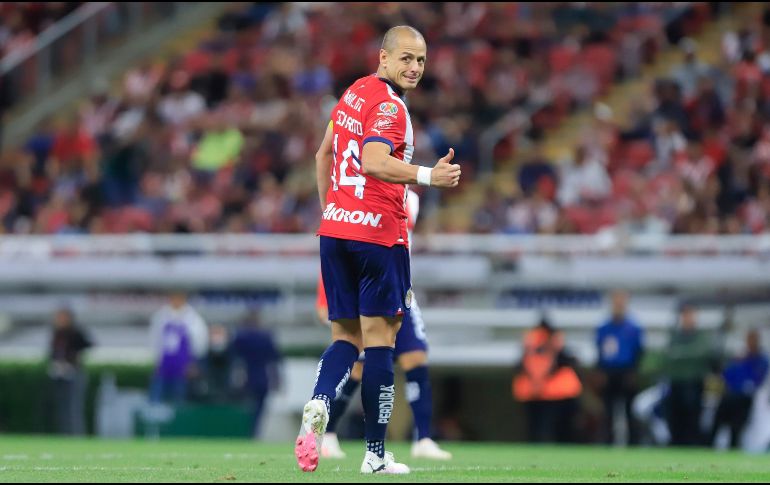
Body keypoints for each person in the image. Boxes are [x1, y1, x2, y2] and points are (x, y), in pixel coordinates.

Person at [295, 25, 461, 475]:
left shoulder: (353, 93)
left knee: (345, 339)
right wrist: (429, 176)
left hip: (336, 230)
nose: (415, 67)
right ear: (383, 58)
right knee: (381, 343)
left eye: (421, 60)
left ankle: (320, 399)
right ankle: (374, 455)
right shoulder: (391, 107)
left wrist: (333, 211)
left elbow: (323, 155)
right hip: (379, 236)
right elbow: (372, 160)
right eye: (406, 58)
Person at [319, 190, 452, 461]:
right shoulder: (365, 192)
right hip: (369, 286)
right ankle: (329, 432)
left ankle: (423, 438)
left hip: (398, 286)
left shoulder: (411, 198)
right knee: (358, 367)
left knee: (416, 356)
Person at [512, 317, 583, 443]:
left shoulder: (533, 340)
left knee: (539, 425)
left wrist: (536, 381)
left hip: (541, 391)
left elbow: (521, 365)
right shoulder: (550, 340)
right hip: (551, 391)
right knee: (552, 425)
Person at [663, 304, 721, 446]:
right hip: (676, 381)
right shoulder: (676, 335)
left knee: (693, 414)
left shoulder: (701, 336)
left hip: (694, 382)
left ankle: (692, 443)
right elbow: (668, 355)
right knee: (675, 415)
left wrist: (680, 354)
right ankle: (676, 443)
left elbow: (702, 352)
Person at [595, 290, 645, 445]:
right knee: (608, 412)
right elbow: (599, 351)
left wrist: (634, 372)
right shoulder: (604, 328)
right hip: (609, 372)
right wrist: (601, 371)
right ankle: (608, 442)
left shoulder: (633, 328)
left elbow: (639, 351)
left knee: (630, 411)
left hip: (626, 372)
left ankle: (633, 443)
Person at [709, 329, 768, 449]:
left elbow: (758, 379)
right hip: (729, 395)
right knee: (716, 425)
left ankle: (733, 449)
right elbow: (727, 374)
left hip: (744, 398)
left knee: (736, 428)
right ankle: (708, 448)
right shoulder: (739, 358)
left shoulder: (761, 359)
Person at [148, 291, 208, 405]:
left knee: (179, 394)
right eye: (174, 298)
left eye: (179, 298)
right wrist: (156, 360)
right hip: (164, 363)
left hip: (182, 364)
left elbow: (199, 341)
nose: (176, 301)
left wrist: (193, 362)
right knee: (157, 392)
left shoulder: (193, 318)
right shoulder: (161, 316)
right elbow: (155, 339)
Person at [231, 312, 282, 439]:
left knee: (246, 409)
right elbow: (274, 360)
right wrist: (277, 381)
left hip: (245, 378)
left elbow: (234, 358)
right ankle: (254, 433)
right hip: (262, 378)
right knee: (259, 410)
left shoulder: (240, 338)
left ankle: (245, 432)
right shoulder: (266, 337)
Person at [47, 307, 93, 435]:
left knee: (74, 407)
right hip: (59, 374)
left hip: (74, 372)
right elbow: (53, 353)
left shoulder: (75, 332)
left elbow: (87, 345)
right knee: (62, 407)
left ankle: (76, 434)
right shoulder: (57, 333)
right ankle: (65, 434)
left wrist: (72, 358)